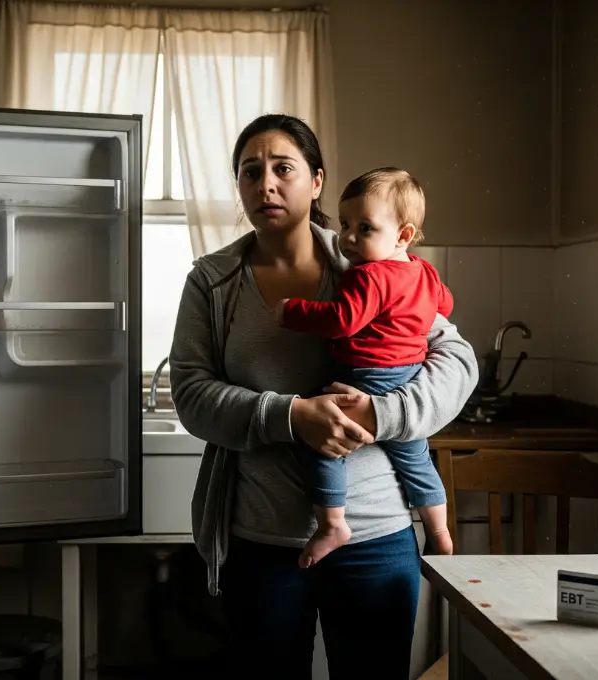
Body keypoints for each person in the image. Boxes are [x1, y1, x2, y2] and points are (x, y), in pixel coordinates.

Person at [170, 113, 477, 680]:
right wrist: (292, 416)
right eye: (250, 171)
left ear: (316, 182)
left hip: (377, 536)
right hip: (261, 542)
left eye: (283, 168)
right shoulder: (212, 282)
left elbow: (458, 363)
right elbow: (190, 393)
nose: (266, 183)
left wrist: (381, 412)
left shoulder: (374, 260)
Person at [272, 167, 456, 568]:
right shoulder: (423, 270)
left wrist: (293, 312)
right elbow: (445, 305)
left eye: (365, 228)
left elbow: (342, 320)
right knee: (416, 457)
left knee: (323, 444)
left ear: (403, 235)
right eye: (345, 224)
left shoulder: (368, 275)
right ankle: (439, 532)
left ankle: (333, 524)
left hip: (366, 375)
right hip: (408, 375)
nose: (349, 237)